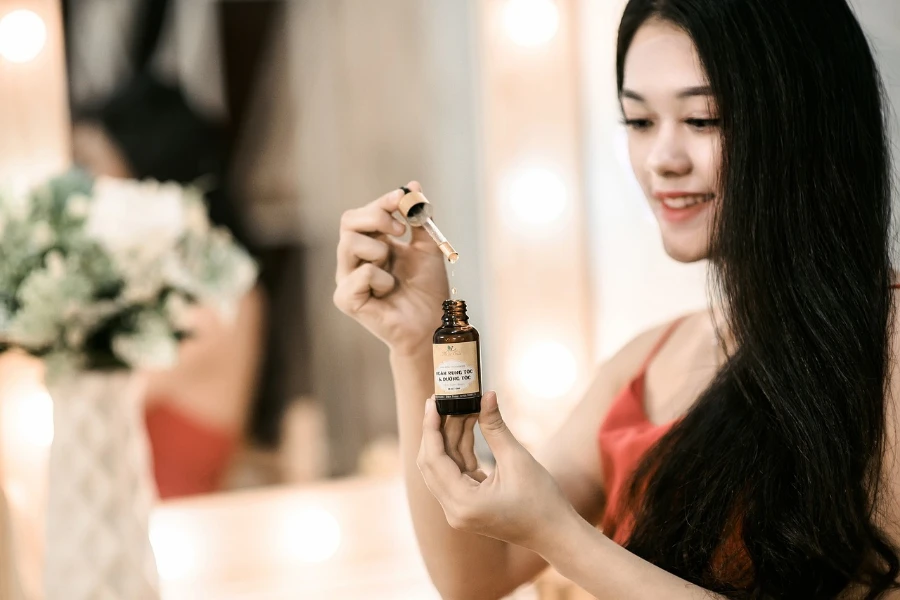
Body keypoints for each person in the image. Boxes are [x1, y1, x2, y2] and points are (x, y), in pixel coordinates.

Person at [334, 0, 900, 597]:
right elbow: (474, 575)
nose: (663, 159)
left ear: (808, 119)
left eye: (704, 119)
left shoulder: (883, 351)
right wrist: (416, 343)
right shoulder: (646, 363)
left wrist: (561, 537)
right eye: (639, 122)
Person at [72, 75, 267, 498]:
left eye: (89, 165)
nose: (78, 187)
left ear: (146, 178)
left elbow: (84, 405)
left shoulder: (219, 301)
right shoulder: (138, 289)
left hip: (173, 534)